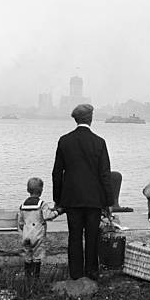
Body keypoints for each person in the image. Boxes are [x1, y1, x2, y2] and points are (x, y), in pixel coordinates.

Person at [52, 104, 114, 280]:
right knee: (92, 236)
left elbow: (57, 173)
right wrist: (108, 201)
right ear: (91, 118)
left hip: (71, 198)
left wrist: (58, 199)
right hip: (94, 198)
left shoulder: (64, 141)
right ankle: (92, 273)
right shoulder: (99, 142)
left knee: (75, 236)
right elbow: (105, 174)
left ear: (76, 119)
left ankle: (76, 274)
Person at [17, 177, 62, 280]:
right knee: (37, 256)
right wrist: (58, 211)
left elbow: (20, 222)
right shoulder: (42, 204)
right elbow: (48, 216)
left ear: (28, 190)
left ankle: (28, 277)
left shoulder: (23, 206)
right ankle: (35, 278)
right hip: (38, 235)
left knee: (28, 256)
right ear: (41, 190)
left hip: (26, 234)